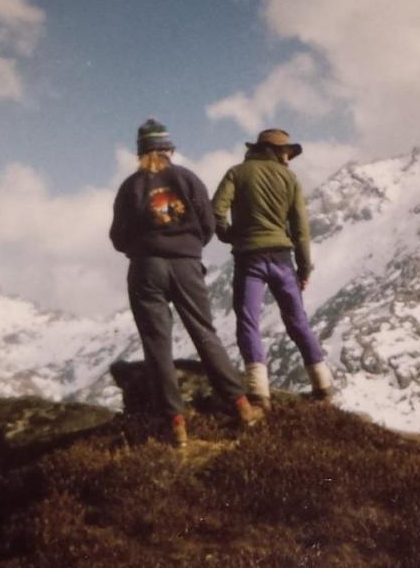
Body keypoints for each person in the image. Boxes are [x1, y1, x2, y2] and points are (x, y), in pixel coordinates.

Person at [110, 119, 263, 447]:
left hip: (145, 268)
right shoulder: (188, 179)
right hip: (187, 266)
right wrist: (188, 247)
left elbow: (117, 237)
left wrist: (143, 249)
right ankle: (241, 406)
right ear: (169, 149)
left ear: (140, 152)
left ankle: (176, 424)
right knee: (204, 333)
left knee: (156, 343)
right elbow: (207, 224)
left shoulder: (130, 187)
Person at [212, 128, 334, 410]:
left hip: (249, 259)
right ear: (275, 152)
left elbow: (216, 211)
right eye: (286, 154)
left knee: (248, 321)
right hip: (282, 259)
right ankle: (323, 386)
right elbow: (301, 230)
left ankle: (258, 394)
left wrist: (229, 235)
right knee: (297, 320)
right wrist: (304, 270)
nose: (289, 160)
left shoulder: (236, 173)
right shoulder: (290, 179)